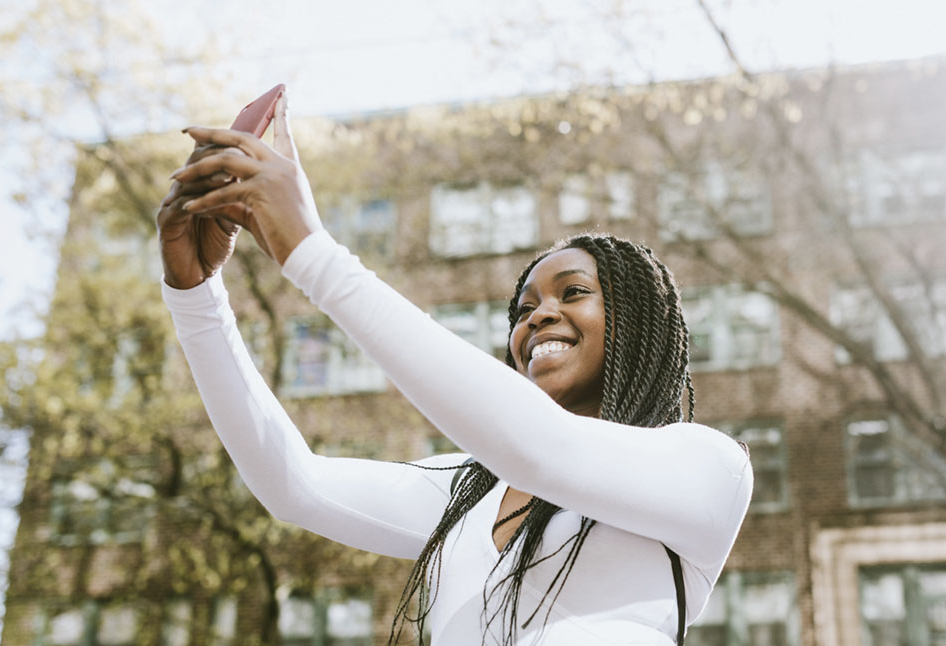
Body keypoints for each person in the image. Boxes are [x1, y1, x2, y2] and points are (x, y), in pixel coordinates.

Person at [157, 91, 753, 646]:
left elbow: (540, 449)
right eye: (524, 309)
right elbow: (295, 486)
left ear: (638, 322)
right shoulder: (466, 493)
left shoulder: (706, 468)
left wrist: (311, 253)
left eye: (573, 293)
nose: (539, 316)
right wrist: (195, 296)